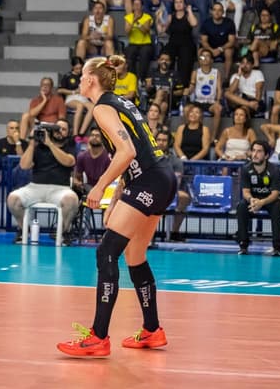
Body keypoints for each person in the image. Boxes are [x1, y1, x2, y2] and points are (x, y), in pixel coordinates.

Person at [57, 55, 176, 357]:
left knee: (106, 252)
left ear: (91, 79)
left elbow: (127, 151)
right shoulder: (119, 103)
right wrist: (122, 192)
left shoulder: (102, 108)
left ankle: (98, 337)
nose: (79, 79)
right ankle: (152, 330)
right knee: (134, 256)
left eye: (82, 74)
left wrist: (101, 187)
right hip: (158, 178)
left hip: (149, 180)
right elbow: (134, 153)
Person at [6, 119, 78, 245]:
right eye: (56, 128)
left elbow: (68, 161)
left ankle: (63, 232)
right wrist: (32, 144)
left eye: (63, 129)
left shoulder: (70, 145)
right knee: (13, 199)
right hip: (35, 187)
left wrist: (50, 144)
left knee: (72, 200)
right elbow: (24, 165)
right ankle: (23, 229)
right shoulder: (38, 146)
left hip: (60, 189)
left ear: (68, 132)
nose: (59, 132)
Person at [236, 140, 280, 256]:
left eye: (259, 151)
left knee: (278, 206)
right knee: (241, 206)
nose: (255, 154)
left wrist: (262, 202)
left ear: (266, 155)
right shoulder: (246, 169)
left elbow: (275, 193)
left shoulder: (274, 170)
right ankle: (243, 245)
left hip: (269, 200)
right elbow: (245, 191)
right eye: (253, 151)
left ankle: (277, 247)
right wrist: (251, 200)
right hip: (253, 200)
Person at [157, 131, 192, 243]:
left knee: (184, 197)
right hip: (151, 189)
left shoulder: (176, 161)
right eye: (159, 140)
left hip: (170, 190)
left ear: (169, 143)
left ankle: (174, 232)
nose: (161, 143)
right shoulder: (149, 158)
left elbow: (177, 181)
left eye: (164, 140)